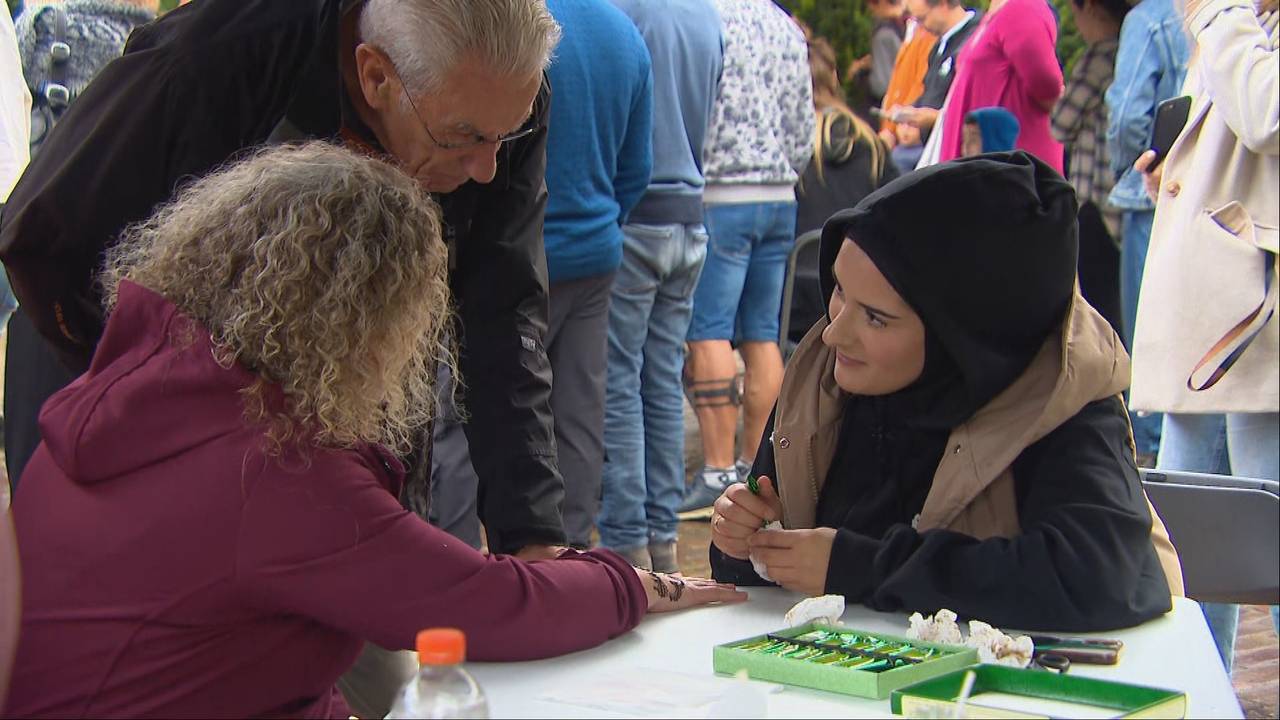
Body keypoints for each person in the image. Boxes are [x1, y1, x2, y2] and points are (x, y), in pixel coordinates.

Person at [3, 143, 746, 719]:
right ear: (370, 324)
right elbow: (487, 606)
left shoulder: (138, 392)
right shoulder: (273, 469)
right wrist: (639, 583)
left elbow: (231, 659)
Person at [0, 0, 569, 563]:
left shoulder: (493, 93)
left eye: (509, 136)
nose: (488, 169)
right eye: (461, 139)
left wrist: (530, 530)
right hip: (117, 378)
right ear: (375, 76)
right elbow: (45, 240)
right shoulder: (218, 57)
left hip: (324, 415)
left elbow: (504, 304)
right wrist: (140, 413)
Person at [708, 151, 1183, 631]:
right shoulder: (824, 377)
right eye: (839, 292)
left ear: (959, 335)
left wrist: (859, 566)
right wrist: (744, 541)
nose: (834, 333)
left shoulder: (1060, 398)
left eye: (875, 316)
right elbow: (770, 581)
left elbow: (1103, 576)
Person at [1130, 0, 1278, 670]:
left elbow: (1267, 114)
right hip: (1211, 315)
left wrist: (1219, 12)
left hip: (1253, 326)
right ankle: (1204, 695)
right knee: (1187, 550)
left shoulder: (1226, 13)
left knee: (1267, 547)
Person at [597, 0, 722, 572]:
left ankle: (627, 542)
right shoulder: (706, 17)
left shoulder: (625, 13)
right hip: (689, 216)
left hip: (638, 213)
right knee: (662, 382)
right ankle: (661, 538)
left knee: (622, 383)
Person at [680, 0, 814, 515]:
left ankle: (717, 471)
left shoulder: (705, 18)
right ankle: (758, 473)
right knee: (762, 336)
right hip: (779, 195)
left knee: (708, 330)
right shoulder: (784, 25)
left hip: (721, 193)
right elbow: (803, 122)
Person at [539, 0, 653, 551]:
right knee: (578, 416)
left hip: (514, 256)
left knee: (462, 417)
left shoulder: (511, 20)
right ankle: (571, 554)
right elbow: (637, 169)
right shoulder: (623, 33)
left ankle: (456, 559)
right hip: (593, 251)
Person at [1104, 0, 1190, 465]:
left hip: (1153, 193)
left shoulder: (1150, 17)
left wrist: (1133, 170)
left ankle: (1147, 459)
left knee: (1149, 345)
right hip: (1217, 210)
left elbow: (1127, 116)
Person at [790, 36, 899, 349]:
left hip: (792, 297)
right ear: (834, 77)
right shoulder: (870, 143)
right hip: (857, 296)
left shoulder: (786, 148)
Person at [1052, 0, 1130, 337]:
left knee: (1099, 310)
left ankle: (1108, 381)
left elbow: (1060, 122)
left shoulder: (1100, 56)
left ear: (1094, 10)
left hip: (1094, 198)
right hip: (1125, 198)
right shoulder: (1133, 49)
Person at [937, 0, 1065, 171]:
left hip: (1008, 173)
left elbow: (1046, 87)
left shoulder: (1022, 8)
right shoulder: (1000, 11)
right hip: (989, 170)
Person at [889, 0, 982, 145]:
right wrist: (909, 112)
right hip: (933, 143)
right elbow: (930, 91)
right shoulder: (938, 46)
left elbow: (973, 105)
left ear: (942, 4)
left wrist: (934, 118)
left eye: (922, 18)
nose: (921, 26)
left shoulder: (974, 41)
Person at [876, 17, 937, 151]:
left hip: (912, 133)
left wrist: (897, 126)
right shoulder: (913, 28)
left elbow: (921, 86)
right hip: (897, 130)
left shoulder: (928, 33)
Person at [849, 0, 907, 113]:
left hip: (888, 107)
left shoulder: (883, 35)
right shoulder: (910, 24)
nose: (870, 9)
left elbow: (881, 86)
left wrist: (861, 76)